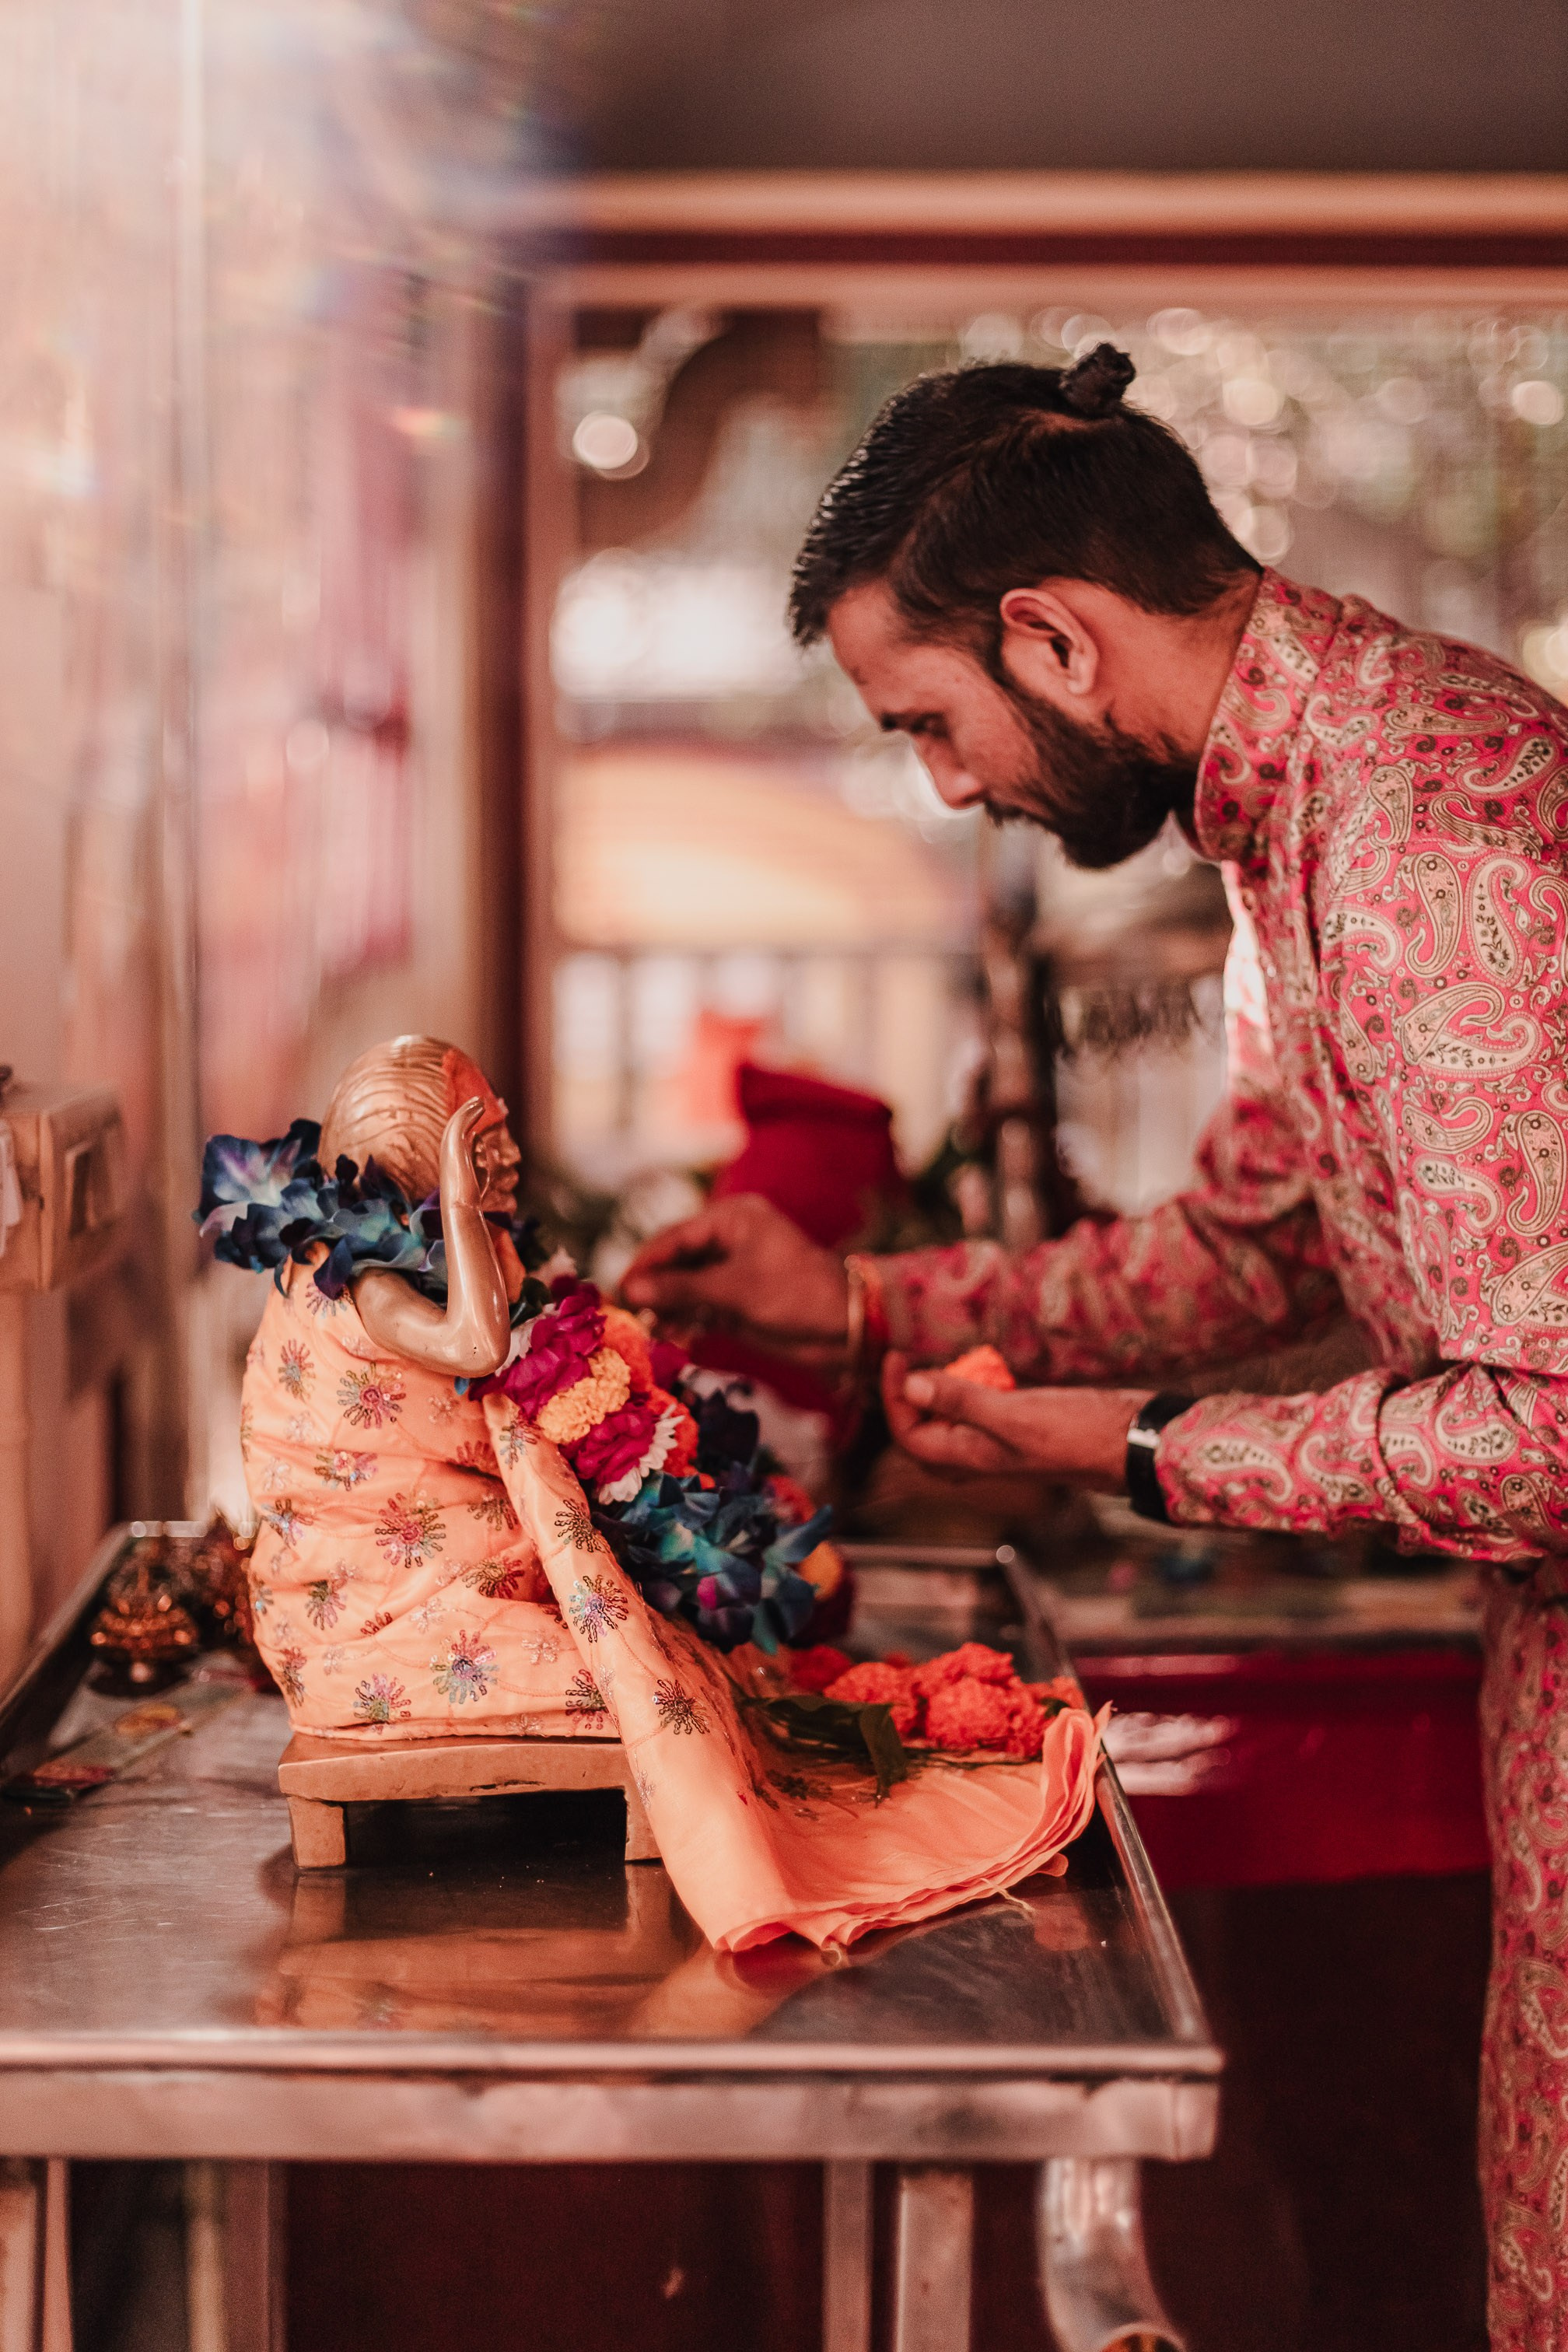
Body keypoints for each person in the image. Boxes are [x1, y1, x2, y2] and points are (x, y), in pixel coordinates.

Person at [621, 342, 1568, 2349]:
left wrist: (1141, 1449)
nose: (945, 787)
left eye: (929, 725)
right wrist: (862, 1303)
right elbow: (1258, 1241)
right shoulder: (1296, 810)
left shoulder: (1427, 837)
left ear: (1052, 636)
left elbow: (1554, 1429)